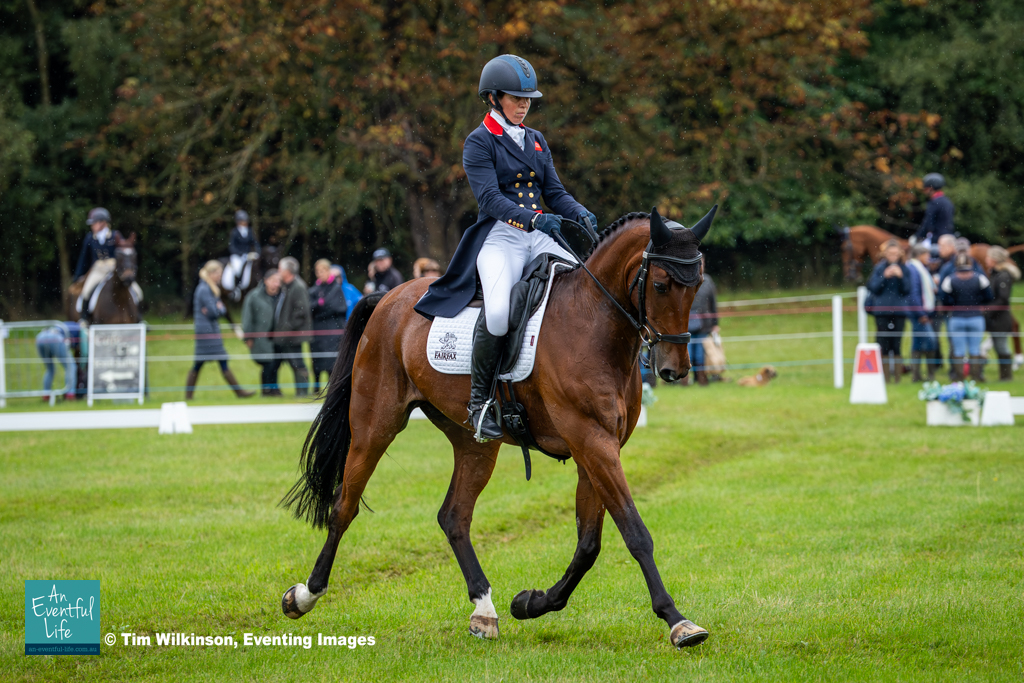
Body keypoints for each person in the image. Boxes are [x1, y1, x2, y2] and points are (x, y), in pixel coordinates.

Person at [414, 54, 597, 441]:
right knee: (498, 313)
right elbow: (491, 198)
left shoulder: (536, 140)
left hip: (540, 234)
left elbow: (554, 193)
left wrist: (579, 212)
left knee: (587, 289)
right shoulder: (479, 142)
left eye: (528, 98)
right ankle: (480, 403)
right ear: (494, 97)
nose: (525, 104)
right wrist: (532, 219)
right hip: (501, 236)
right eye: (517, 97)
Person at [185, 261, 255, 400]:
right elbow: (214, 312)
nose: (220, 276)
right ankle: (239, 392)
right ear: (211, 273)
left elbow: (211, 310)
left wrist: (216, 307)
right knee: (208, 362)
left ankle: (189, 396)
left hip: (208, 330)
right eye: (218, 273)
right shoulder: (205, 289)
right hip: (207, 332)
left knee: (203, 363)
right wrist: (220, 307)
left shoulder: (207, 287)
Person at [940, 252, 994, 381]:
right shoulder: (980, 278)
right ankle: (975, 377)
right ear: (970, 263)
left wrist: (954, 303)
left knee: (959, 350)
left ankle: (959, 378)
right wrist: (979, 302)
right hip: (976, 317)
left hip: (957, 318)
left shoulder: (950, 279)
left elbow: (944, 299)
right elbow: (989, 296)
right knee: (975, 349)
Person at [867, 240, 911, 383]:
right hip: (882, 311)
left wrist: (901, 277)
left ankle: (897, 378)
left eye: (895, 253)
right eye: (890, 253)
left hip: (899, 312)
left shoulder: (905, 269)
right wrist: (884, 277)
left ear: (900, 254)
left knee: (896, 344)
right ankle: (884, 378)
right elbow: (873, 287)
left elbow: (907, 290)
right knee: (883, 343)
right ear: (885, 254)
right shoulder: (879, 268)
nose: (893, 256)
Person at [74, 207, 123, 320]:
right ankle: (85, 318)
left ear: (103, 223)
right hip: (99, 271)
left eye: (94, 223)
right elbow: (83, 258)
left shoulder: (116, 235)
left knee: (136, 291)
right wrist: (78, 274)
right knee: (86, 291)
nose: (92, 226)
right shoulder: (90, 238)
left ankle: (139, 318)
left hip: (115, 270)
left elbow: (122, 254)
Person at [308, 258, 348, 392]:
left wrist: (321, 306)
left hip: (333, 330)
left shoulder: (336, 289)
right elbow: (310, 308)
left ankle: (333, 388)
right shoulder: (314, 290)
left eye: (323, 270)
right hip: (318, 331)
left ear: (328, 271)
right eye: (317, 271)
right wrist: (323, 306)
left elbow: (339, 307)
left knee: (332, 361)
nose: (320, 273)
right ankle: (316, 387)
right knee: (317, 360)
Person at [274, 256, 312, 395]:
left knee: (298, 363)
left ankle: (302, 391)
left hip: (294, 334)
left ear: (287, 271)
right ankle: (300, 390)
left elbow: (301, 311)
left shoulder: (298, 287)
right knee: (292, 362)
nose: (278, 272)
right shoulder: (286, 286)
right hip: (288, 333)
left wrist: (287, 327)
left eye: (279, 269)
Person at [242, 268, 282, 396]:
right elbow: (247, 318)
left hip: (279, 337)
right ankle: (266, 390)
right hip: (261, 337)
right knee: (267, 363)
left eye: (278, 281)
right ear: (265, 281)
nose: (276, 284)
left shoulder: (283, 295)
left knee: (276, 363)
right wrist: (248, 337)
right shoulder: (254, 296)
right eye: (273, 280)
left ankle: (274, 388)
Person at [984, 246, 1020, 382]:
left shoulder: (1003, 275)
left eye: (988, 257)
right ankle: (1004, 375)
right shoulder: (996, 273)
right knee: (999, 346)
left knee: (1002, 346)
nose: (986, 259)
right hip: (995, 317)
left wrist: (988, 309)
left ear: (994, 259)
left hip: (1001, 318)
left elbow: (1003, 298)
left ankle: (1006, 376)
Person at [906, 245, 939, 381]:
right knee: (930, 341)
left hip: (921, 311)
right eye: (926, 255)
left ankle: (917, 375)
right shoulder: (913, 269)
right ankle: (928, 375)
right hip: (919, 313)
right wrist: (921, 314)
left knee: (918, 342)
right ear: (919, 255)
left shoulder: (920, 269)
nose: (929, 258)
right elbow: (913, 293)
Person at [686, 256, 719, 386]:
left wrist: (715, 324)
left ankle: (701, 379)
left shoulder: (708, 281)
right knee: (687, 354)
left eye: (702, 263)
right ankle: (684, 381)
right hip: (686, 325)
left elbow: (713, 304)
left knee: (700, 354)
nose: (700, 265)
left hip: (704, 325)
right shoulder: (684, 278)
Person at [222, 209, 260, 300]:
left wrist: (258, 252)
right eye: (243, 221)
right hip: (237, 256)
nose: (245, 223)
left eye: (245, 221)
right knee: (237, 268)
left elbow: (255, 243)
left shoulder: (250, 231)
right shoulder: (234, 232)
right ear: (238, 222)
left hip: (248, 255)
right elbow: (232, 247)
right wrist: (242, 254)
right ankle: (236, 289)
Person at [35, 325, 76, 402]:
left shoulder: (62, 324)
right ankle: (70, 394)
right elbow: (81, 348)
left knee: (50, 369)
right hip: (55, 337)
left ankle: (46, 394)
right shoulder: (80, 329)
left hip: (40, 336)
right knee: (71, 366)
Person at [912, 173, 954, 247]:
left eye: (926, 189)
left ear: (931, 189)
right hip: (948, 237)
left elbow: (928, 223)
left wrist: (917, 236)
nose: (924, 191)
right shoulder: (948, 201)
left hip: (936, 239)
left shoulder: (934, 202)